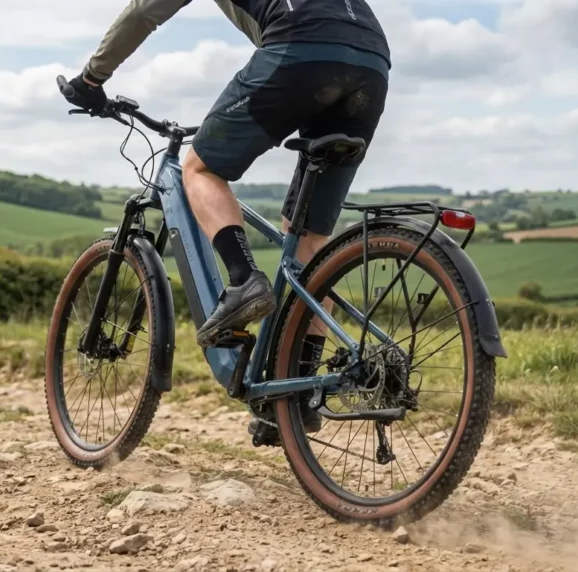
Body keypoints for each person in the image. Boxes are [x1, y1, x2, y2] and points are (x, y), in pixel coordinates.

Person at [61, 0, 390, 440]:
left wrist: (92, 78)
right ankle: (297, 393)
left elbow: (143, 12)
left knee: (200, 167)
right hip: (372, 62)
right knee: (309, 239)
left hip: (302, 48)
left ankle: (242, 279)